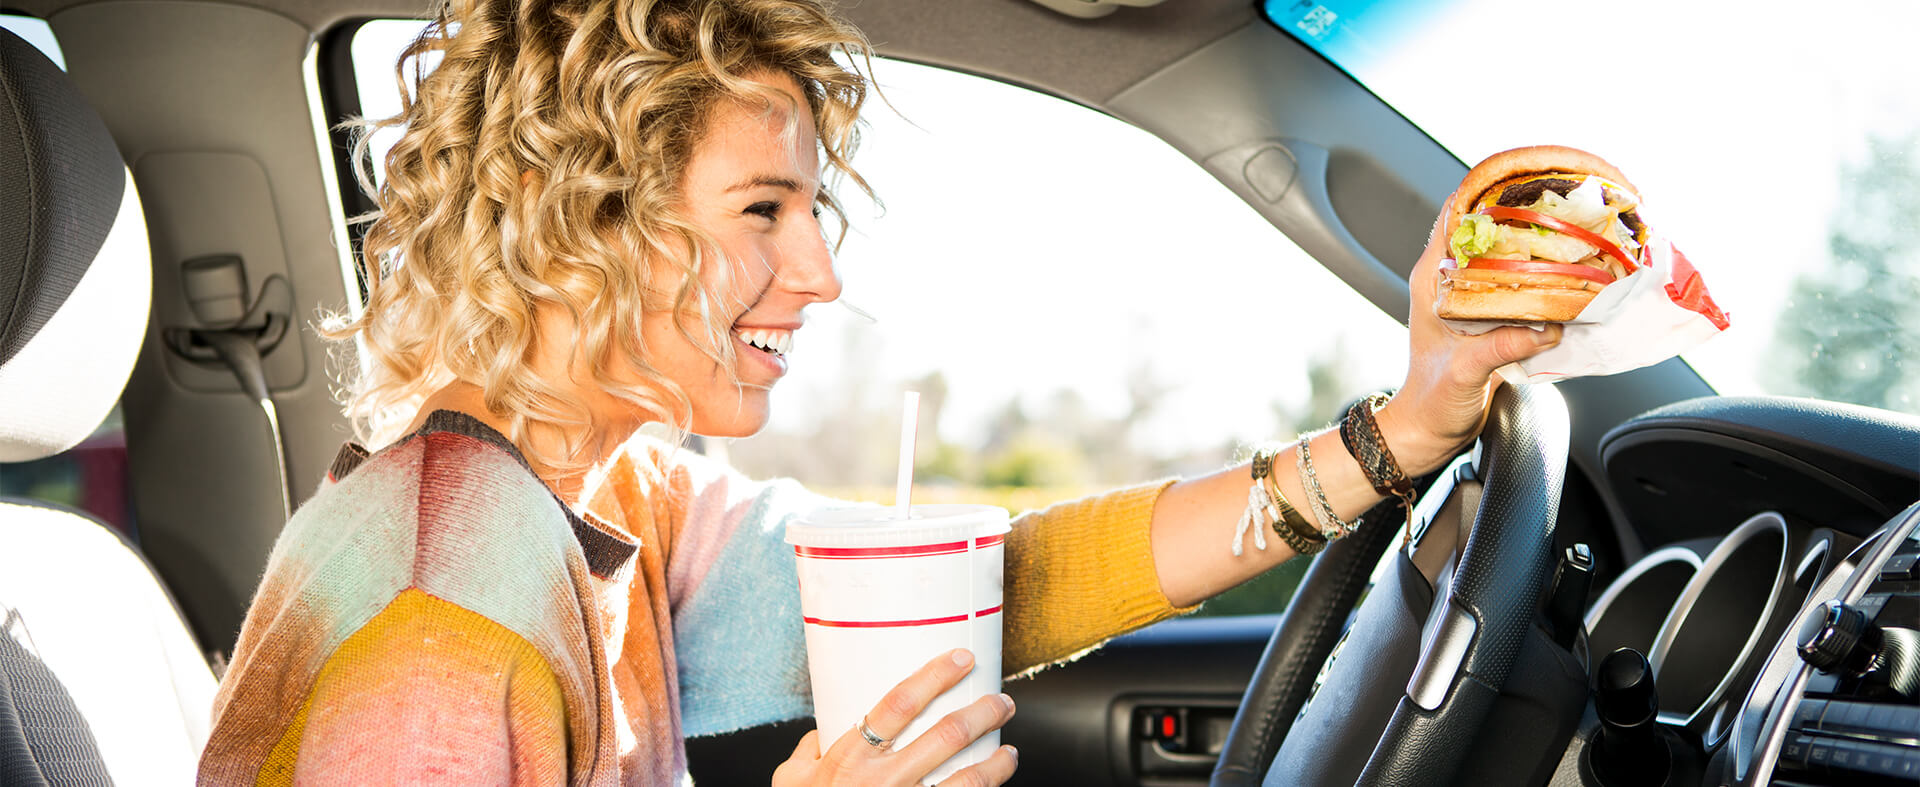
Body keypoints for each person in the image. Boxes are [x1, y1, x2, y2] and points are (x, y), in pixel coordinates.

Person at [196, 0, 1562, 784]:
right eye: (765, 210)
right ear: (580, 223)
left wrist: (1399, 434)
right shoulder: (436, 624)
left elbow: (993, 586)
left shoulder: (624, 496)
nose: (823, 272)